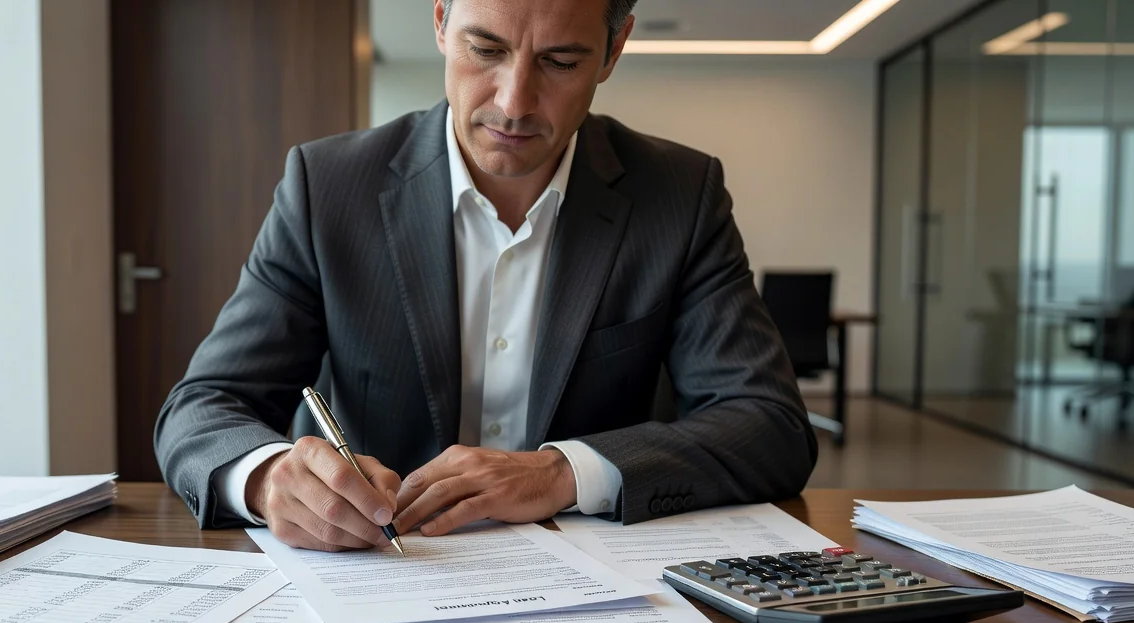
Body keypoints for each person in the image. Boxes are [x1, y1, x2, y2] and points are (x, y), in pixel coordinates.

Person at [155, 0, 817, 551]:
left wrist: (562, 473)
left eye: (561, 62)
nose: (513, 102)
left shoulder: (680, 195)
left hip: (597, 584)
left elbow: (769, 425)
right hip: (383, 569)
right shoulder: (327, 187)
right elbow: (205, 405)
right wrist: (267, 477)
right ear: (440, 22)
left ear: (614, 50)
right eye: (485, 49)